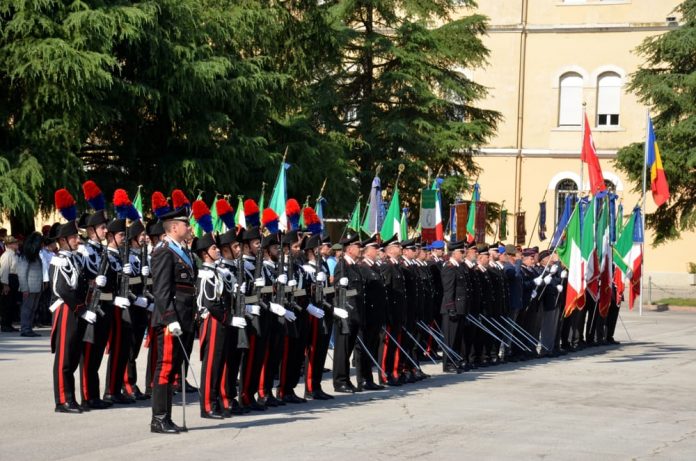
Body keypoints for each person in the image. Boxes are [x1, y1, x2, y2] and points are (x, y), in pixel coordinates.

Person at [150, 207, 196, 434]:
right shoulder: (164, 250)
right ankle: (158, 418)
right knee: (165, 368)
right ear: (174, 227)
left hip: (184, 316)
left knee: (173, 369)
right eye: (186, 224)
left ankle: (166, 417)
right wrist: (170, 318)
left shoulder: (181, 249)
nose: (189, 228)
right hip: (171, 318)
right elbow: (161, 289)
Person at [49, 213, 90, 413]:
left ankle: (70, 398)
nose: (77, 240)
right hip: (66, 309)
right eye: (73, 237)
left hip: (76, 309)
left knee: (73, 355)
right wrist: (81, 310)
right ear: (62, 240)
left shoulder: (74, 258)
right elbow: (61, 289)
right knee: (65, 356)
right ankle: (63, 400)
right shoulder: (58, 261)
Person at [439, 239, 468, 373]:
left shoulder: (458, 267)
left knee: (457, 338)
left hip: (460, 307)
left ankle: (455, 360)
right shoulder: (449, 268)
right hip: (452, 308)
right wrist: (451, 308)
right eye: (461, 251)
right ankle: (448, 364)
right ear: (454, 253)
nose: (464, 253)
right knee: (450, 338)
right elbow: (448, 290)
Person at [17, 232, 44, 337]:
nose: (42, 245)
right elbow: (22, 273)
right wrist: (25, 289)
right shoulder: (26, 256)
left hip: (37, 287)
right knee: (27, 308)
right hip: (29, 288)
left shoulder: (35, 256)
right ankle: (25, 329)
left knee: (33, 308)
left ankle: (29, 328)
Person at [0, 235, 20, 332]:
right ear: (8, 245)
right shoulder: (6, 255)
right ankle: (5, 324)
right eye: (14, 243)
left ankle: (9, 323)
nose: (16, 244)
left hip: (15, 279)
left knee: (12, 303)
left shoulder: (14, 254)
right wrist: (5, 285)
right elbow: (4, 270)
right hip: (9, 279)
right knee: (7, 303)